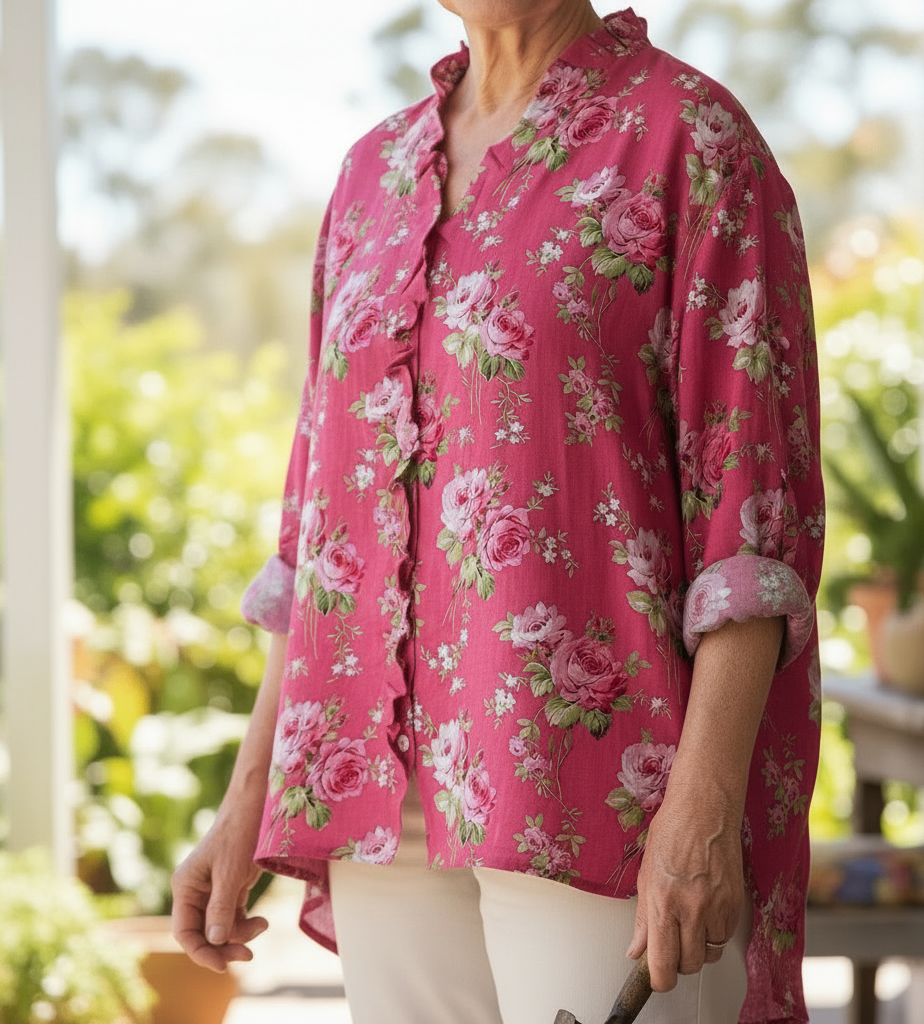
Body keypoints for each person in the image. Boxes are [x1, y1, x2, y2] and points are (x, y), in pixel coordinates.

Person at [170, 4, 824, 1023]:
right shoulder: (371, 175)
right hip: (377, 799)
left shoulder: (688, 137)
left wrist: (704, 801)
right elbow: (323, 528)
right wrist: (248, 793)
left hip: (609, 791)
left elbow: (752, 517)